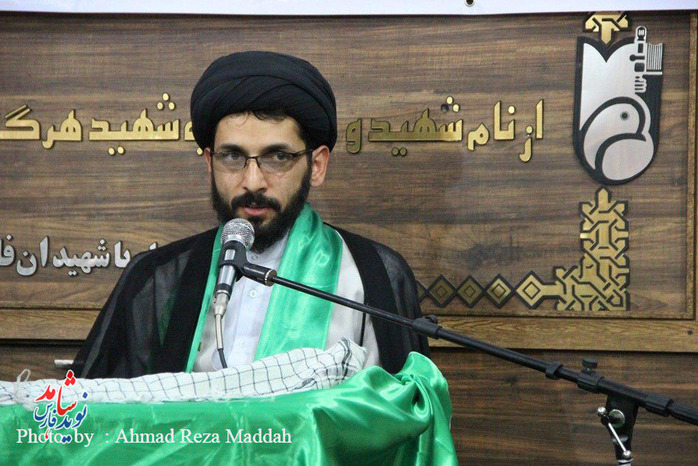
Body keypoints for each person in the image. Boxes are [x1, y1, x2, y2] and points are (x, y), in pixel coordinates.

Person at [72, 51, 428, 378]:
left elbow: (402, 415)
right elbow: (96, 412)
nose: (252, 182)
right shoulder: (156, 279)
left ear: (316, 166)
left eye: (277, 157)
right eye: (233, 157)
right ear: (209, 163)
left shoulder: (372, 276)